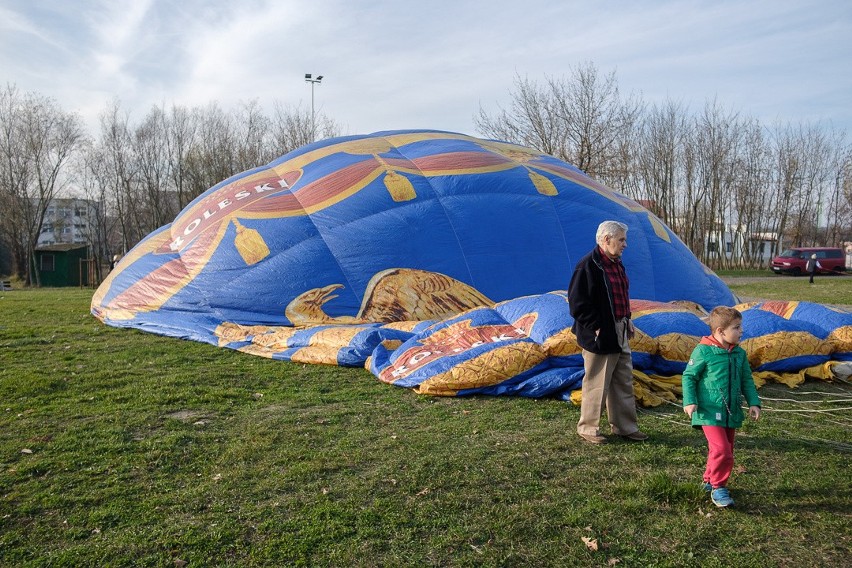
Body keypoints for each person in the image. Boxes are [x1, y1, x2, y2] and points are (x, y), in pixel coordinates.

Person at [568, 220, 647, 444]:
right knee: (597, 382)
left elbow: (621, 295)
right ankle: (588, 429)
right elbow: (577, 304)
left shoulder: (616, 264)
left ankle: (624, 427)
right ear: (606, 239)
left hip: (620, 329)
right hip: (600, 334)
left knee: (622, 380)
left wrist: (627, 319)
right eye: (621, 239)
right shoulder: (588, 266)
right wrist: (597, 325)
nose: (625, 244)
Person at [682, 306, 761, 508]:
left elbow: (746, 379)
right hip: (708, 411)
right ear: (720, 331)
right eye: (736, 327)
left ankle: (708, 480)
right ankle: (719, 487)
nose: (741, 331)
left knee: (723, 449)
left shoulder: (739, 354)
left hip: (731, 411)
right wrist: (690, 401)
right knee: (722, 451)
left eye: (740, 326)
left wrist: (753, 402)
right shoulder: (703, 351)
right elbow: (689, 376)